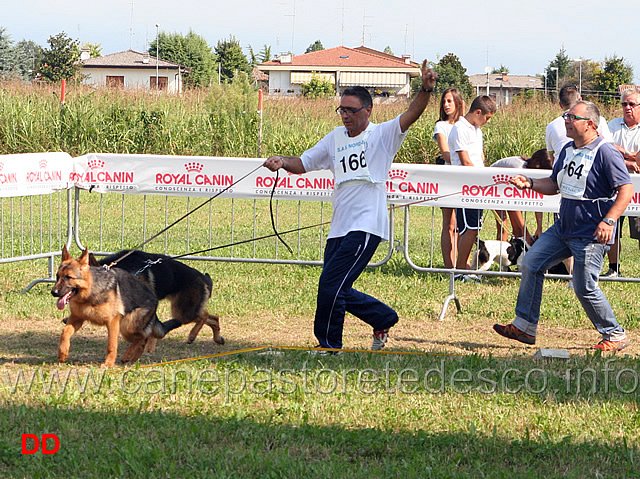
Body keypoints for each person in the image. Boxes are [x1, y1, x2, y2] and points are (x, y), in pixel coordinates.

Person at [263, 61, 437, 352]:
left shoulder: (382, 135)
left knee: (331, 285)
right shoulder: (335, 138)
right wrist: (282, 161)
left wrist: (426, 89)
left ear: (367, 111)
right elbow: (304, 163)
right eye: (341, 110)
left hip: (366, 225)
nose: (345, 116)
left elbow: (412, 113)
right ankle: (382, 316)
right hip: (339, 226)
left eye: (351, 110)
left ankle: (329, 345)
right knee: (333, 286)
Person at [493, 101, 633, 352]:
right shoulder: (568, 149)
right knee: (531, 262)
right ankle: (525, 326)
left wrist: (609, 220)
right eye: (565, 116)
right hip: (563, 229)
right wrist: (530, 184)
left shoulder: (606, 152)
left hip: (590, 233)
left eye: (572, 117)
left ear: (590, 124)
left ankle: (615, 334)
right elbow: (554, 185)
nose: (566, 120)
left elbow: (626, 189)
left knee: (584, 287)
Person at [448, 95, 497, 281]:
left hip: (477, 185)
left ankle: (464, 267)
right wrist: (481, 179)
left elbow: (479, 158)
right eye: (487, 117)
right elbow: (465, 160)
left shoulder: (477, 130)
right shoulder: (460, 129)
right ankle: (462, 270)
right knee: (470, 228)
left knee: (472, 227)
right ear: (478, 112)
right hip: (466, 184)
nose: (487, 121)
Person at [603, 87, 640, 277]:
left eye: (632, 104)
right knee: (613, 227)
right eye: (624, 104)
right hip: (615, 185)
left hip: (638, 189)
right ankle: (613, 268)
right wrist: (628, 159)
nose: (627, 107)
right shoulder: (613, 125)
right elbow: (606, 150)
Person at [490, 149, 553, 245]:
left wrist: (539, 228)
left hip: (508, 190)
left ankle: (516, 255)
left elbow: (537, 199)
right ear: (538, 164)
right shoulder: (519, 168)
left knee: (518, 230)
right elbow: (514, 203)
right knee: (504, 227)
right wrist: (526, 234)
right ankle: (501, 255)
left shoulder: (532, 172)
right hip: (493, 187)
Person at [433, 87, 465, 268]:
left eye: (449, 101)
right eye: (444, 101)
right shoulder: (441, 126)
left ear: (459, 103)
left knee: (465, 225)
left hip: (465, 178)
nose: (446, 105)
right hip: (449, 177)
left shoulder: (466, 125)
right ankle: (449, 266)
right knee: (450, 224)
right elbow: (446, 154)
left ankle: (463, 264)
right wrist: (464, 157)